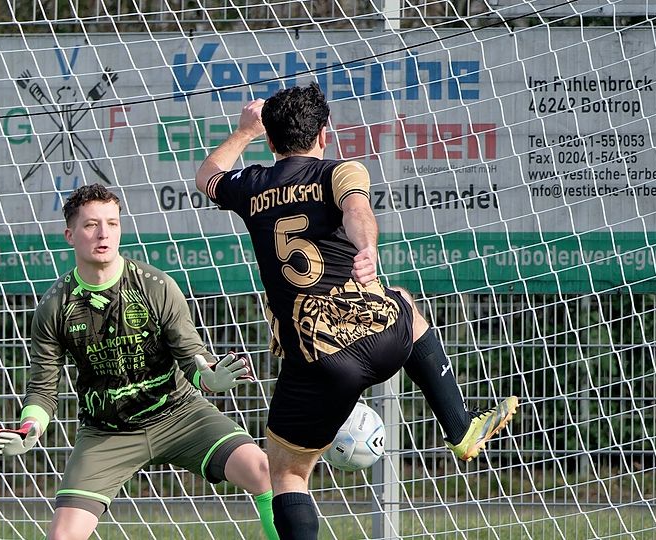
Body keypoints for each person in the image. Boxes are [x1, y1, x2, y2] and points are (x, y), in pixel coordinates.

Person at [195, 83, 519, 539]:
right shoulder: (341, 171)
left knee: (287, 473)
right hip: (382, 338)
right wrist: (366, 248)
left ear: (270, 141)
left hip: (317, 358)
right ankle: (460, 427)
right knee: (401, 299)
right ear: (323, 134)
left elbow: (207, 175)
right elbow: (356, 209)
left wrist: (245, 130)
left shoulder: (252, 186)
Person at [0, 184, 277, 540]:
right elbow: (43, 388)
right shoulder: (54, 306)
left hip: (179, 415)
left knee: (264, 470)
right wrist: (30, 427)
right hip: (106, 432)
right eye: (91, 225)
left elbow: (192, 355)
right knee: (63, 536)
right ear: (70, 235)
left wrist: (210, 378)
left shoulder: (155, 286)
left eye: (112, 223)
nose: (103, 233)